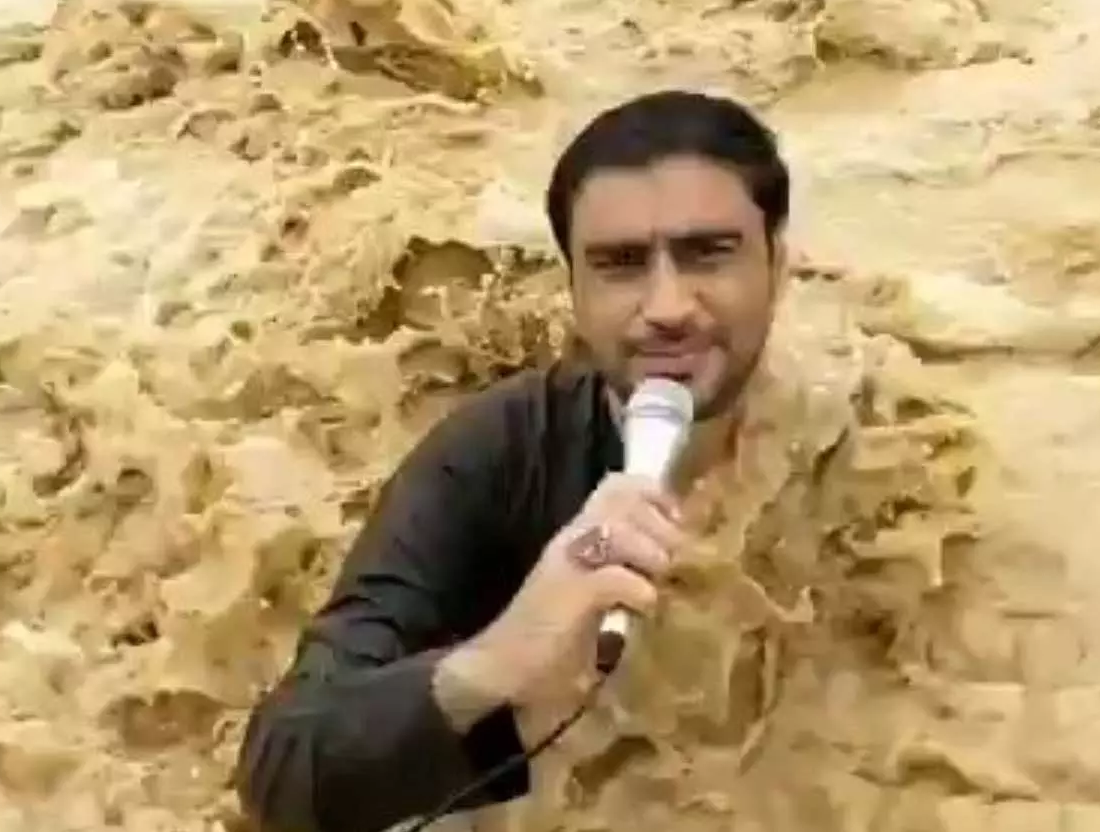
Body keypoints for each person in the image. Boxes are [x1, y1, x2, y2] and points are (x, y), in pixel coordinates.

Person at [233, 89, 791, 832]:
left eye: (707, 253)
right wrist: (502, 658)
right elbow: (284, 769)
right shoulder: (499, 454)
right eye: (621, 265)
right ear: (574, 292)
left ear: (779, 263)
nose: (667, 306)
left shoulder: (880, 452)